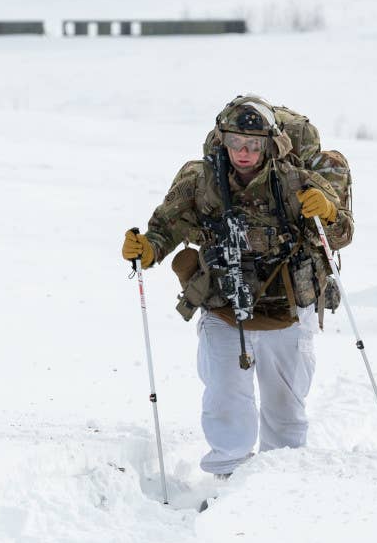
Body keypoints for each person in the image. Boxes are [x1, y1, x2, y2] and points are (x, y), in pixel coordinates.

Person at [121, 96, 352, 476]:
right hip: (224, 303)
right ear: (221, 141)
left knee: (286, 407)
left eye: (253, 145)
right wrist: (147, 249)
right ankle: (226, 477)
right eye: (234, 143)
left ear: (269, 145)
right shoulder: (201, 180)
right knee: (226, 398)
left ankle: (283, 480)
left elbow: (341, 233)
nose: (243, 153)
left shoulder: (296, 181)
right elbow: (166, 226)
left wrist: (327, 212)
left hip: (287, 308)